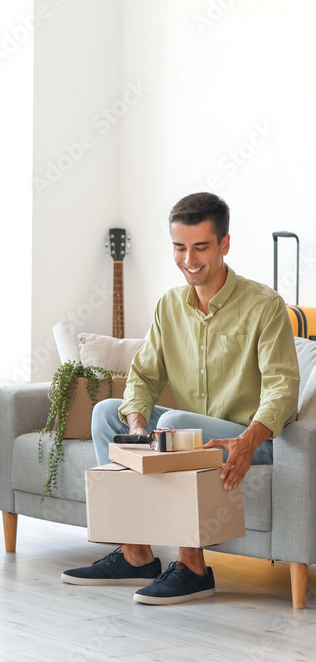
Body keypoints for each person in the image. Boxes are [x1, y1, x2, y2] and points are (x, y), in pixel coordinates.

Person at [62, 192, 300, 604]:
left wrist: (249, 440)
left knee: (175, 425)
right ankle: (136, 554)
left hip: (243, 441)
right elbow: (143, 376)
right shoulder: (168, 306)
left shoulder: (265, 306)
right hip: (190, 435)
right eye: (179, 247)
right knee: (105, 414)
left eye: (201, 247)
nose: (189, 259)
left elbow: (282, 387)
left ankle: (193, 566)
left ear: (224, 245)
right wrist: (136, 425)